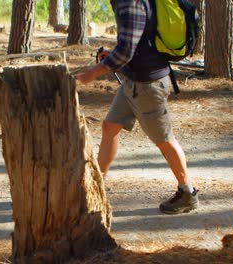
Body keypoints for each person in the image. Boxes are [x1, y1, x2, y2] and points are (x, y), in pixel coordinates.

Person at [76, 0, 199, 214]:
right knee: (110, 127)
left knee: (164, 139)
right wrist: (112, 56)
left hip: (148, 86)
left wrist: (93, 73)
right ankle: (96, 185)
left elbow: (125, 52)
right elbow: (137, 40)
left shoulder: (129, 1)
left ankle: (188, 193)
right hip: (133, 81)